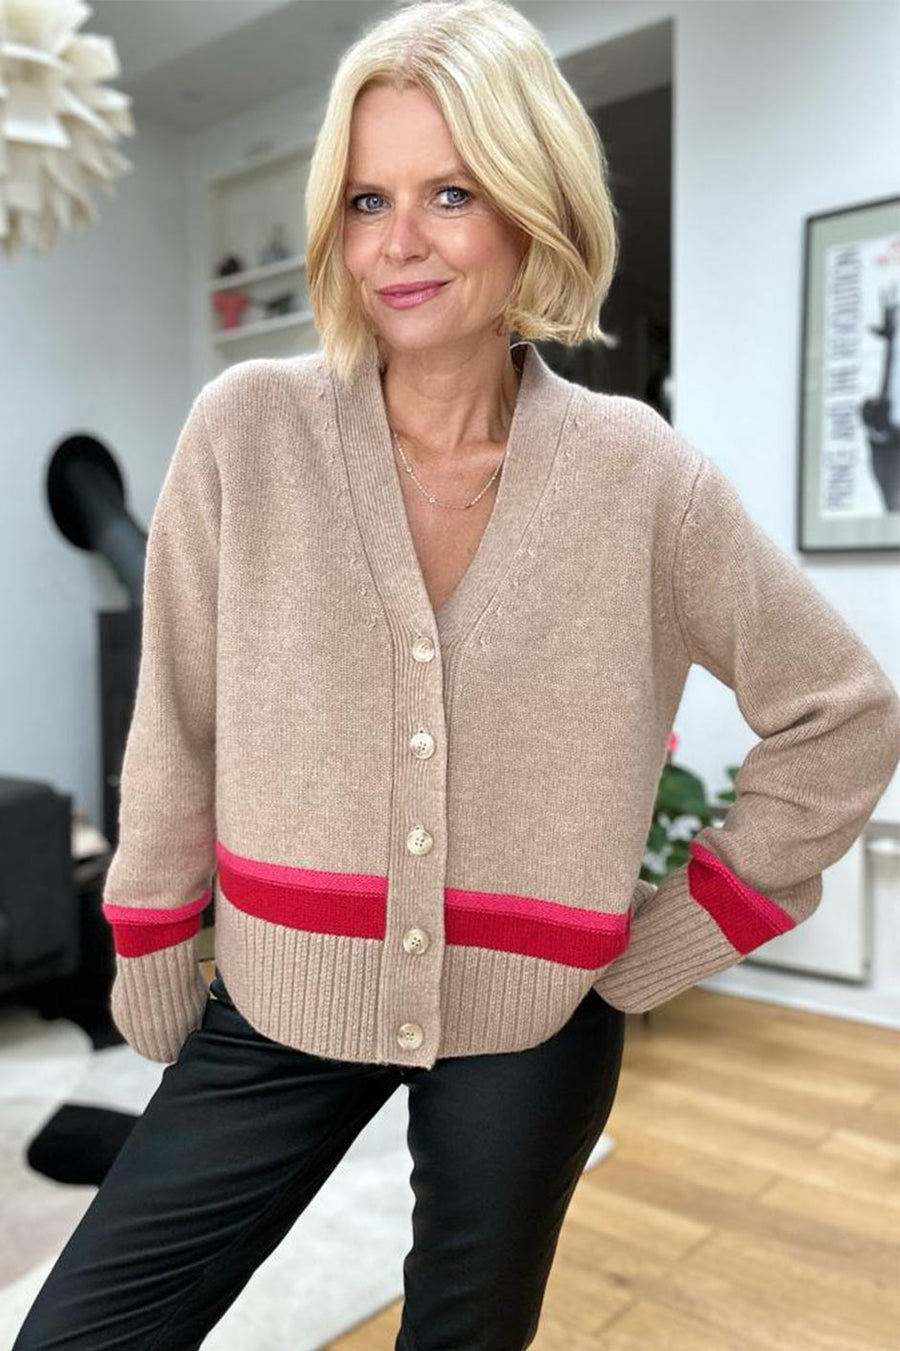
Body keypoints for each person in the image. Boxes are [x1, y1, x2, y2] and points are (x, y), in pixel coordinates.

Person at [14, 0, 900, 1347]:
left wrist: (674, 933)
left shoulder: (642, 477)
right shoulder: (246, 431)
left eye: (451, 193)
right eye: (366, 199)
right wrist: (147, 925)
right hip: (279, 994)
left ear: (533, 208)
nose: (399, 242)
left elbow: (842, 713)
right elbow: (178, 710)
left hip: (534, 1024)